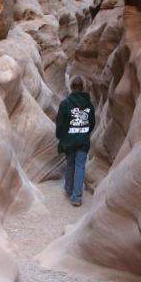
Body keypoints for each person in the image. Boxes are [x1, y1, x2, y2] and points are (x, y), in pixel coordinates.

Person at [55, 75, 95, 206]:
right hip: (83, 140)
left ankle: (68, 189)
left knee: (70, 164)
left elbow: (60, 123)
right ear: (83, 87)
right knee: (80, 166)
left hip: (69, 139)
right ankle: (76, 197)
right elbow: (92, 123)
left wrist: (60, 136)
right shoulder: (89, 105)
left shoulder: (65, 104)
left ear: (71, 87)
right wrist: (84, 131)